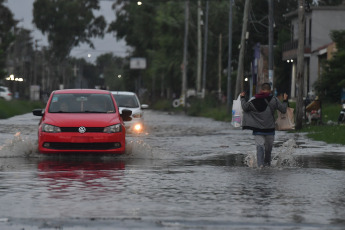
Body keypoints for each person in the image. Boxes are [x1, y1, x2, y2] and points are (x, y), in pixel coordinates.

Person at [240, 83, 288, 168]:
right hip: (270, 129)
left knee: (260, 147)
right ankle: (267, 166)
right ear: (270, 90)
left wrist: (242, 97)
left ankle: (260, 166)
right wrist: (285, 100)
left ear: (261, 90)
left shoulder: (253, 99)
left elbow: (244, 107)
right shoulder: (274, 99)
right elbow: (283, 110)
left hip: (257, 129)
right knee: (268, 150)